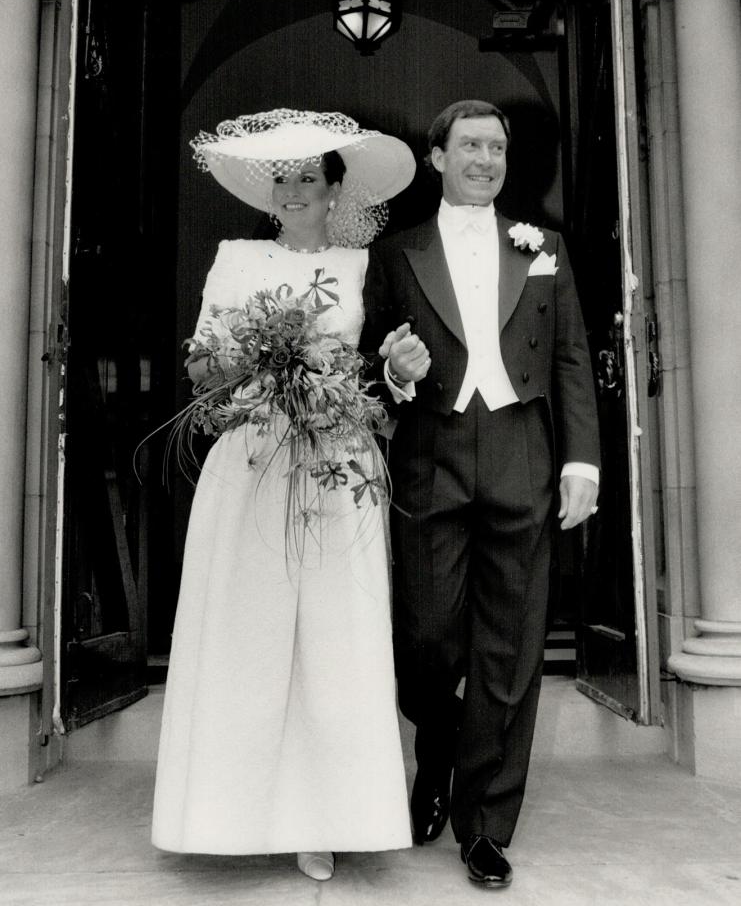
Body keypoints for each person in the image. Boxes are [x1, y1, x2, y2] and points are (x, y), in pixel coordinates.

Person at [151, 109, 417, 880]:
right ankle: (223, 812)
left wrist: (387, 370)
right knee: (249, 634)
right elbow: (201, 370)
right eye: (284, 179)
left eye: (309, 176)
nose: (295, 189)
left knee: (335, 640)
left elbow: (380, 376)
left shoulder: (366, 268)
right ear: (270, 196)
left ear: (336, 189)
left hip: (336, 459)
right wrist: (250, 361)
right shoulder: (234, 259)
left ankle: (325, 819)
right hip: (255, 454)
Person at [360, 99, 600, 888]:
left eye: (496, 148)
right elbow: (372, 364)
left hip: (521, 448)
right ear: (437, 157)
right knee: (426, 635)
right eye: (469, 145)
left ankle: (484, 824)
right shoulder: (396, 253)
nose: (485, 159)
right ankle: (440, 746)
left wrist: (581, 465)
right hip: (432, 452)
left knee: (511, 646)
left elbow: (569, 358)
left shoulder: (544, 248)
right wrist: (395, 371)